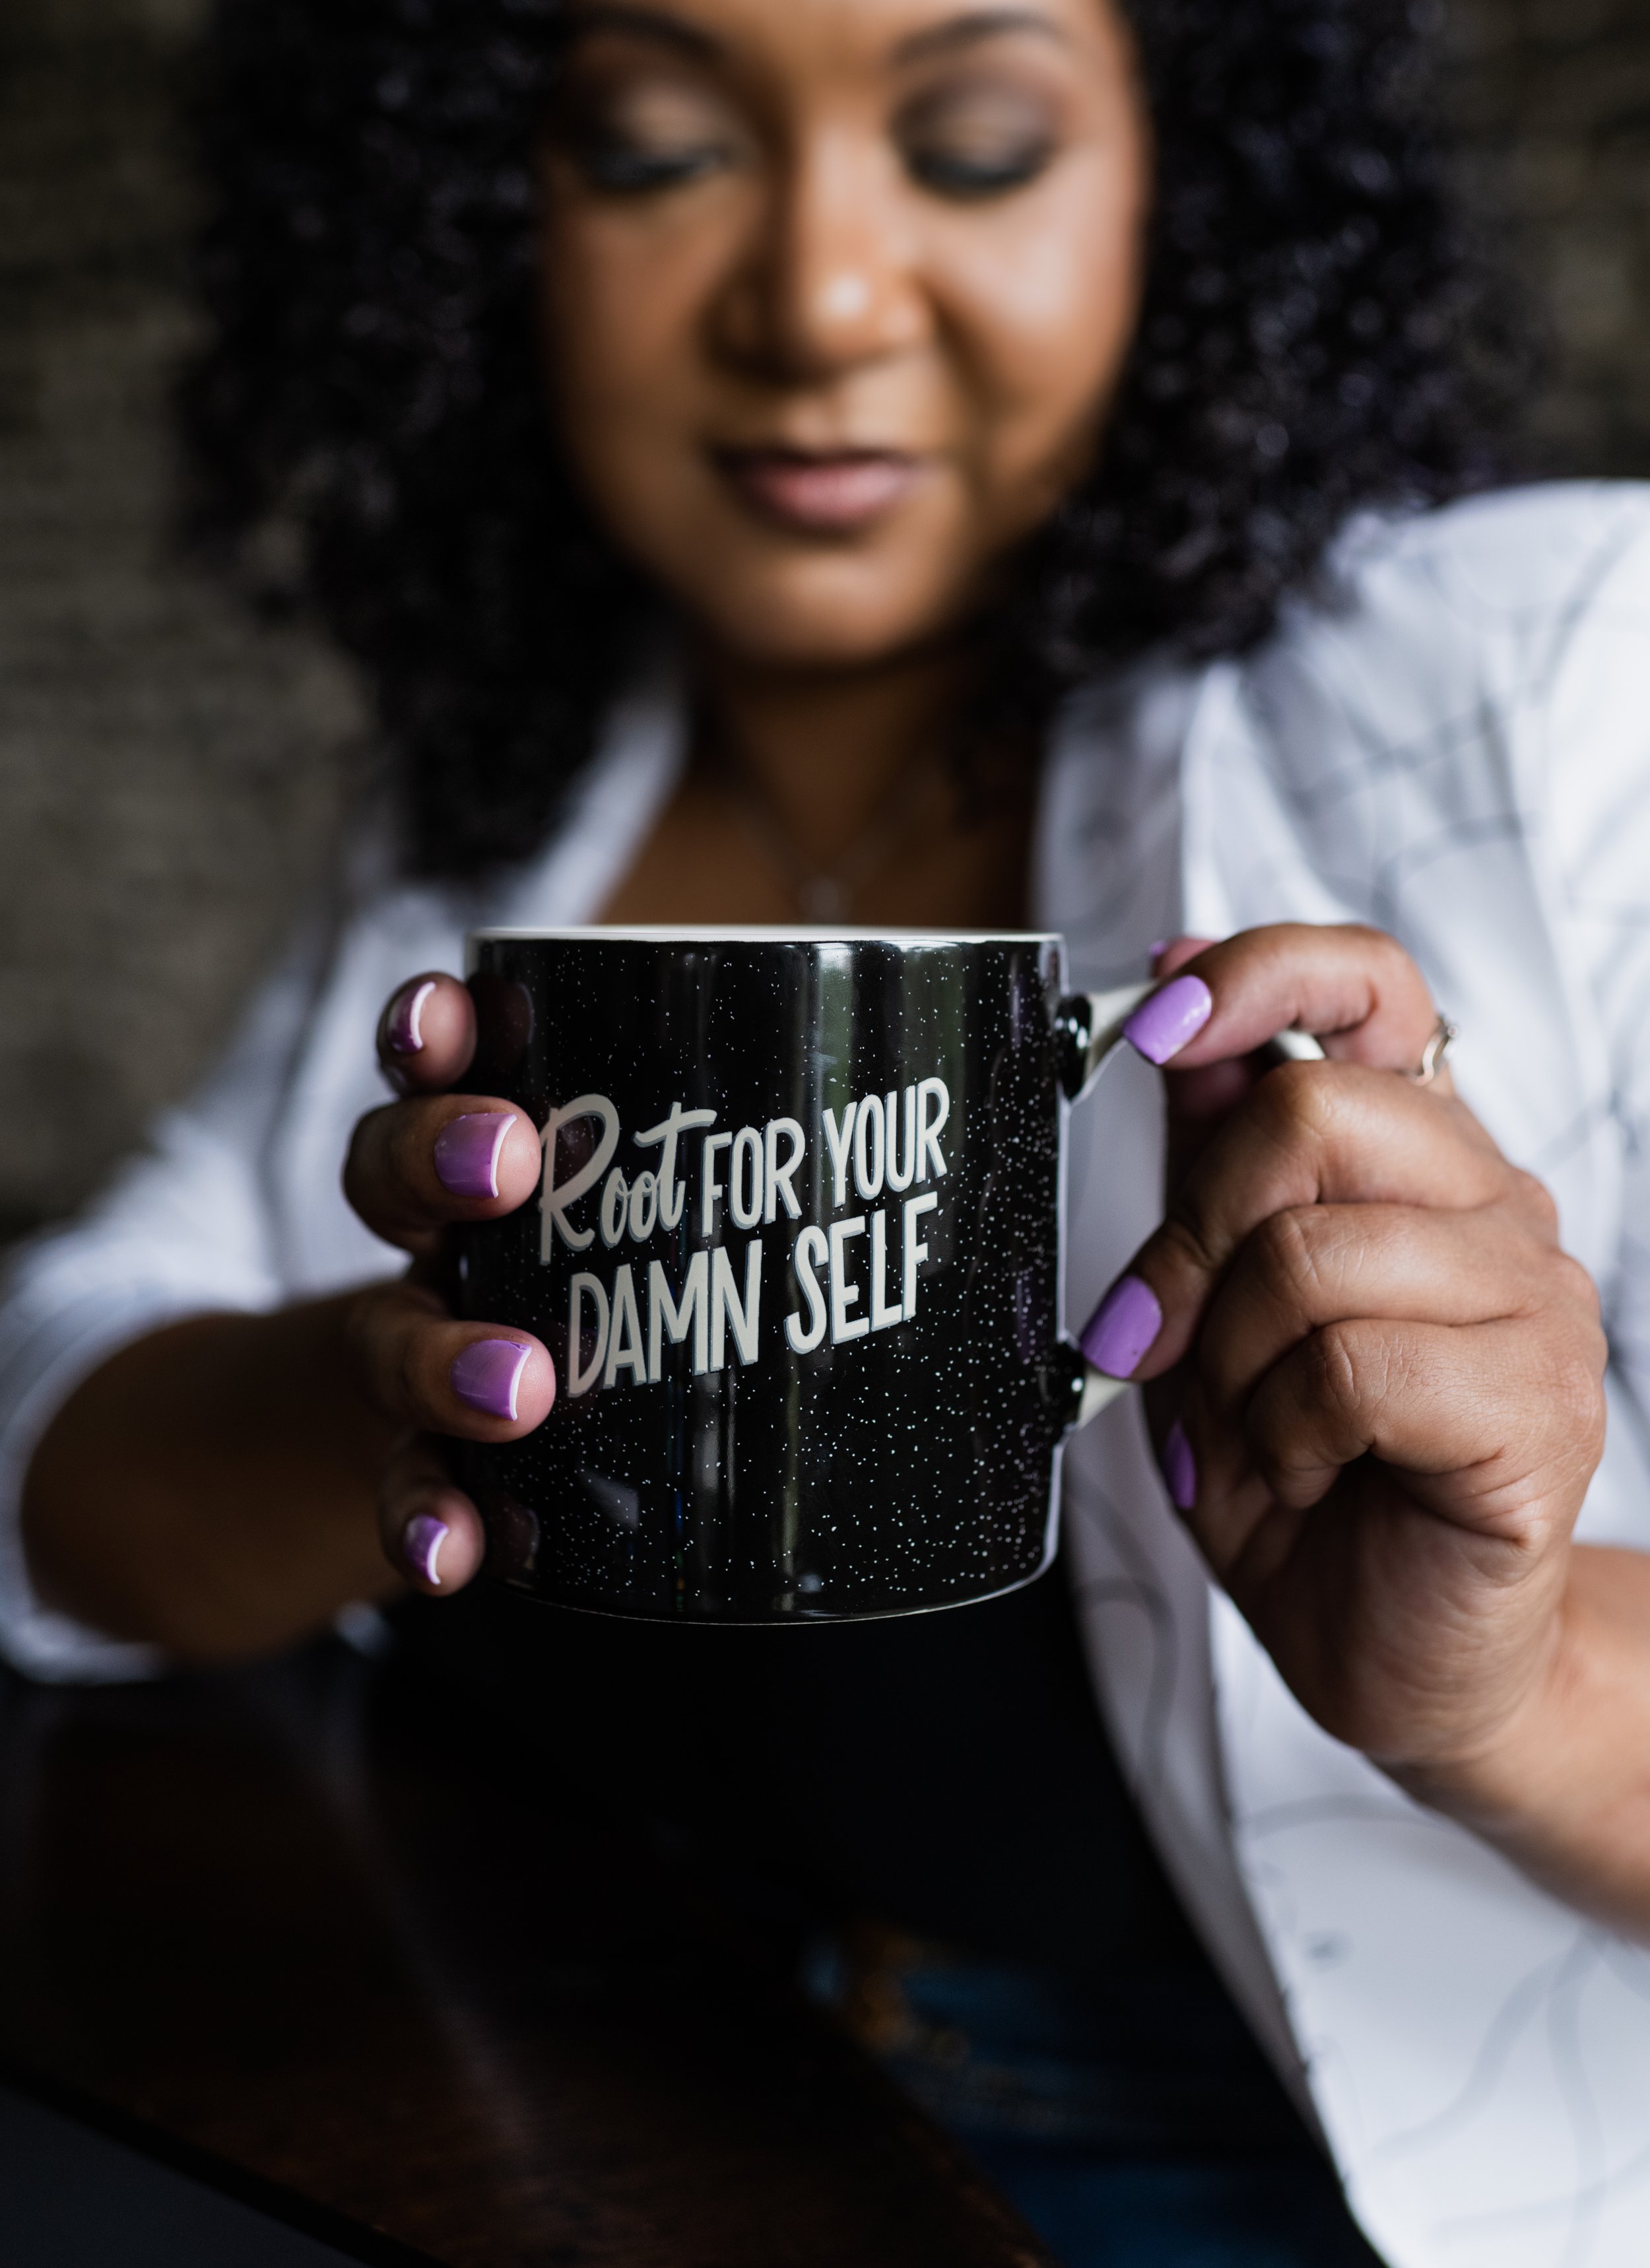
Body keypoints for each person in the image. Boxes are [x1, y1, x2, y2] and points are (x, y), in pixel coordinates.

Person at [3, 0, 1649, 2258]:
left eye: (971, 145)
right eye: (662, 152)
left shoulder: (1552, 673)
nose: (819, 299)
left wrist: (1522, 1670)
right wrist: (386, 1395)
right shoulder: (491, 812)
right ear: (488, 218)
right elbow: (52, 1415)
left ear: (1190, 184)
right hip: (554, 2062)